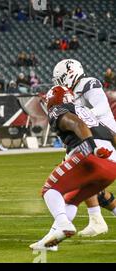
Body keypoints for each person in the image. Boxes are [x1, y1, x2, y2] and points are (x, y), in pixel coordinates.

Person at [29, 85, 116, 250]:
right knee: (71, 200)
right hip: (111, 165)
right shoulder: (86, 111)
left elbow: (75, 123)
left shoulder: (58, 109)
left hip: (90, 156)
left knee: (50, 190)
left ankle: (63, 224)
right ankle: (50, 241)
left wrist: (92, 146)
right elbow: (113, 135)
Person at [52, 59, 116, 237]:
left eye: (60, 78)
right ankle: (96, 220)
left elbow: (102, 106)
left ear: (70, 73)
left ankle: (91, 220)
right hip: (92, 140)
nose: (59, 83)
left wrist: (84, 116)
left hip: (106, 139)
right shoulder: (70, 93)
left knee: (80, 179)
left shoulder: (88, 82)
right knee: (93, 187)